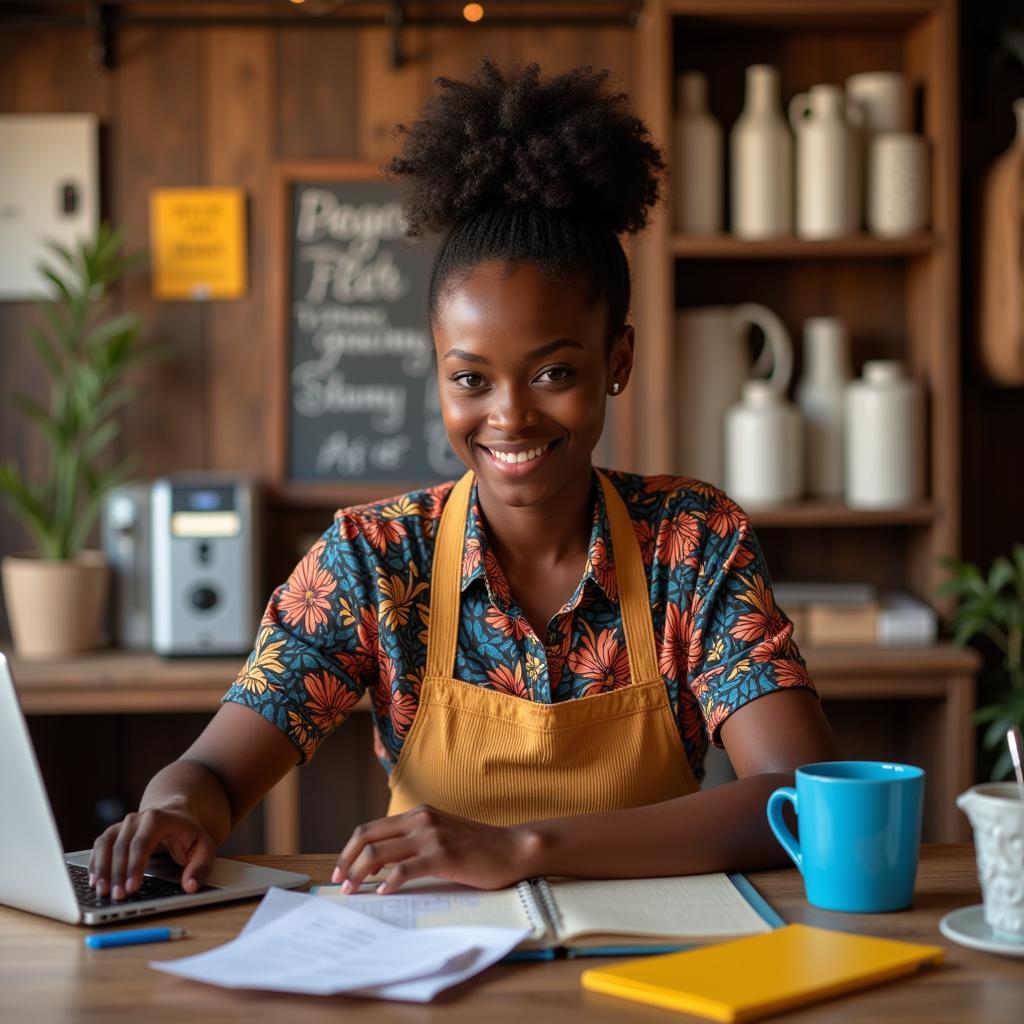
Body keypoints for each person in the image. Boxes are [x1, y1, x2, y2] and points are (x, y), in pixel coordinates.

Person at [89, 60, 837, 902]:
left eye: (553, 373)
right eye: (471, 379)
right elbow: (213, 775)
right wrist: (175, 810)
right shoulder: (374, 559)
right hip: (431, 972)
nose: (509, 417)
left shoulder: (691, 540)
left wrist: (523, 847)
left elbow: (799, 798)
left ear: (616, 361)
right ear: (437, 375)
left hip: (657, 963)